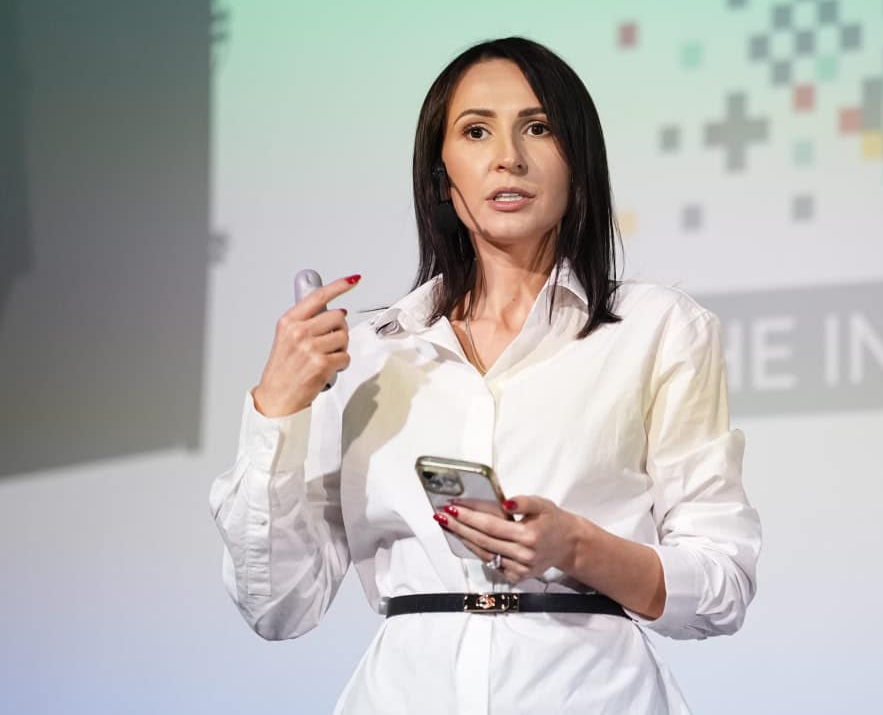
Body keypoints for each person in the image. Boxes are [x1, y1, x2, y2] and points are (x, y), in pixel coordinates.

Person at [208, 37, 762, 714]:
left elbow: (721, 584)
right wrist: (276, 408)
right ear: (441, 176)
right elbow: (276, 606)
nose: (509, 157)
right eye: (476, 132)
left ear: (579, 163)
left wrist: (575, 545)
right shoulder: (370, 353)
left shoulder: (658, 328)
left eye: (539, 128)